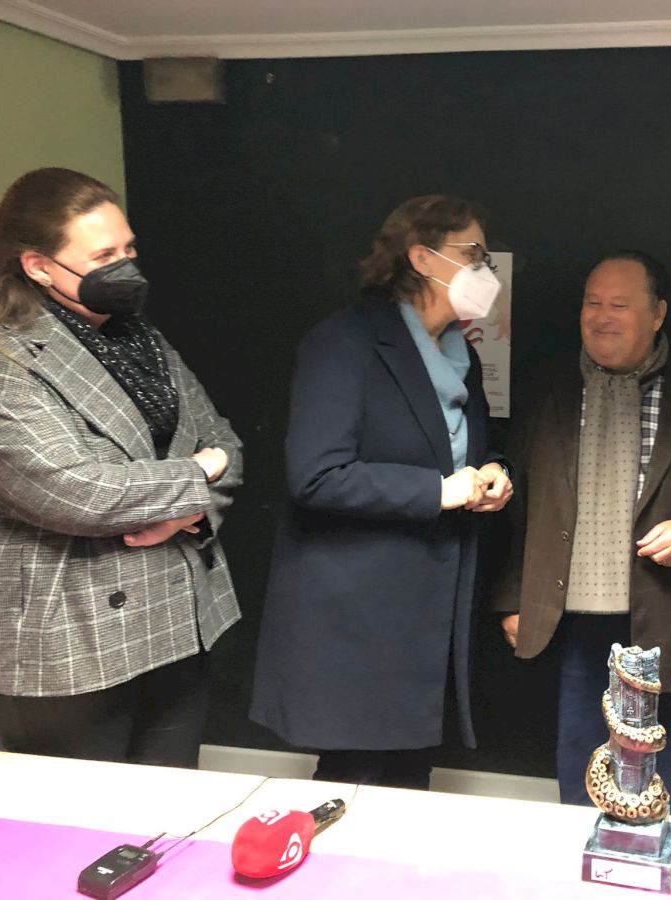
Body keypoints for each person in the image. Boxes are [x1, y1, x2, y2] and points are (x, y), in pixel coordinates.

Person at [492, 251, 671, 817]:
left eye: (620, 305)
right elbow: (516, 500)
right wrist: (511, 596)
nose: (602, 316)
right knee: (583, 785)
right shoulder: (545, 386)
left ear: (658, 314)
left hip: (670, 618)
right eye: (592, 303)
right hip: (569, 622)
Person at [249, 195, 512, 788]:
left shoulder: (459, 353)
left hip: (429, 611)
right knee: (355, 778)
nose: (485, 269)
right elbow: (316, 475)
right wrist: (437, 492)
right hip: (357, 614)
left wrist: (493, 473)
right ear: (422, 258)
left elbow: (467, 451)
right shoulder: (345, 342)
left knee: (408, 778)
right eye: (473, 253)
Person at [0, 167, 241, 767]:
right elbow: (76, 490)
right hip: (70, 643)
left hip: (182, 616)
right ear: (38, 266)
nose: (125, 267)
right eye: (103, 256)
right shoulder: (2, 358)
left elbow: (224, 442)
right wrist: (196, 479)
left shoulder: (140, 337)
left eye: (128, 249)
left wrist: (180, 511)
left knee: (169, 808)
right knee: (78, 819)